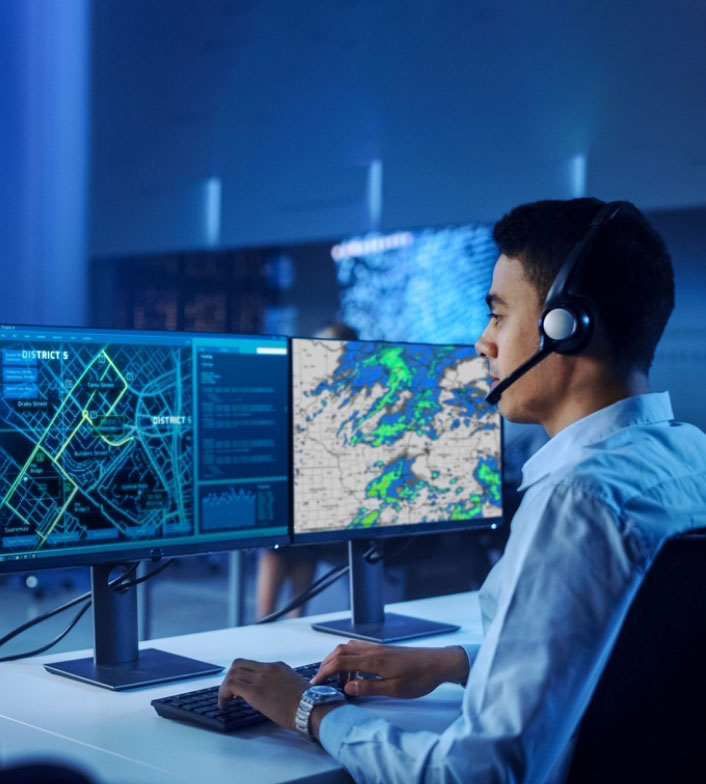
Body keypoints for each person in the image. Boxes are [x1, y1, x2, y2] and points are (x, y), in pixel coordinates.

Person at [218, 198, 706, 782]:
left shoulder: (578, 501)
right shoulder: (690, 456)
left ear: (566, 327)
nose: (482, 343)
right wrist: (453, 663)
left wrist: (310, 710)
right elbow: (628, 658)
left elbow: (476, 774)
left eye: (498, 315)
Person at [255, 321, 357, 619]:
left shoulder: (353, 399)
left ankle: (285, 621)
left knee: (295, 534)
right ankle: (268, 624)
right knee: (284, 535)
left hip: (332, 514)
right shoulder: (305, 391)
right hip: (306, 508)